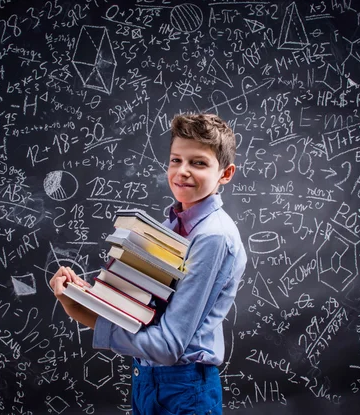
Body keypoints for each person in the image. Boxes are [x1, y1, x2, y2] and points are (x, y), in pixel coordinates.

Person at [50, 113, 247, 414]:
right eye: (175, 160)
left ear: (226, 173)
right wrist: (88, 297)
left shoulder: (213, 237)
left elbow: (169, 346)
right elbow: (148, 309)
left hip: (184, 389)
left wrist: (85, 315)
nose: (182, 172)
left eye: (198, 163)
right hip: (149, 379)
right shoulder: (172, 226)